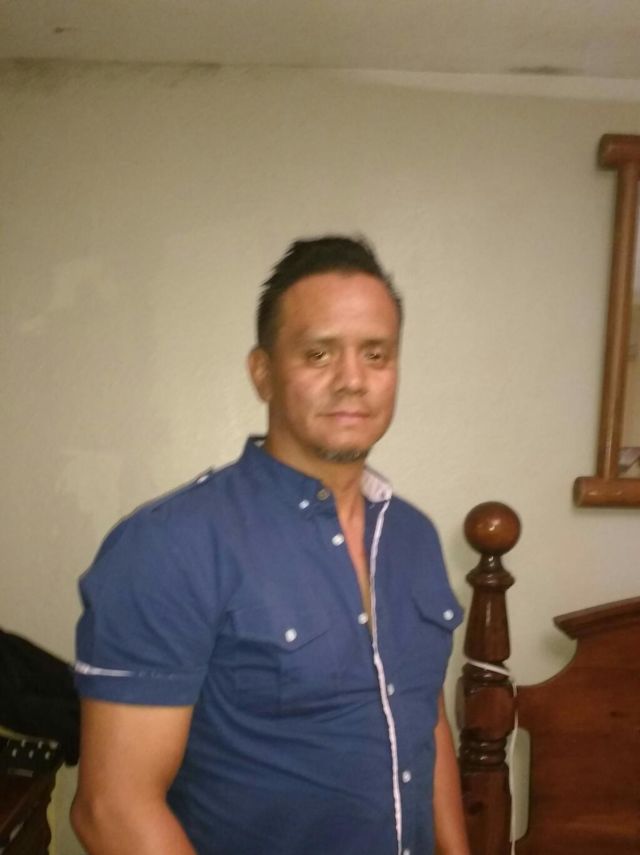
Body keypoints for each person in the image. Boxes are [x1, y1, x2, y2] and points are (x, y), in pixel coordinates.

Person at [71, 236, 470, 855]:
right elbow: (112, 810)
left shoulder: (413, 536)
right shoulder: (169, 546)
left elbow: (420, 716)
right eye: (318, 354)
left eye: (376, 354)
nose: (352, 380)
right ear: (263, 373)